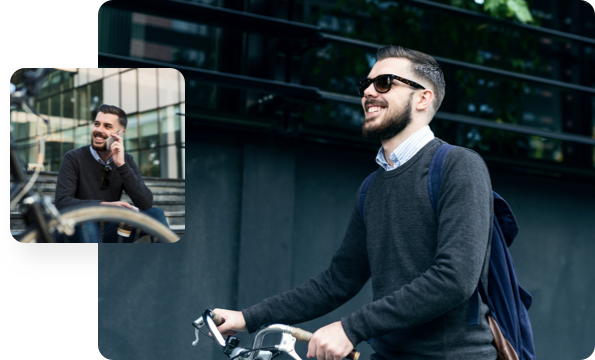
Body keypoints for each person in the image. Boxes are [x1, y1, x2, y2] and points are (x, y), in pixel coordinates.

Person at [214, 45, 496, 360]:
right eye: (366, 85)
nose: (369, 92)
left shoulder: (458, 165)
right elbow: (338, 280)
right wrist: (247, 317)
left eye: (385, 83)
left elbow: (454, 279)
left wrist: (351, 328)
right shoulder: (371, 188)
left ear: (423, 98)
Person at [54, 104, 170, 243]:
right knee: (88, 221)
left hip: (108, 228)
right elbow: (62, 202)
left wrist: (121, 165)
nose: (98, 130)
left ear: (120, 133)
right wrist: (105, 205)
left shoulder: (126, 160)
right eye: (97, 124)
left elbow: (145, 203)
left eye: (107, 126)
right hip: (73, 229)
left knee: (156, 214)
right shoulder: (73, 157)